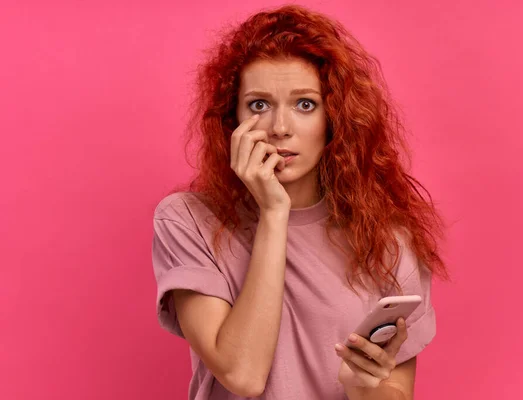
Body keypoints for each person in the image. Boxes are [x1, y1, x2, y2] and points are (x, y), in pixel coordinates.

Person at [151, 4, 447, 400]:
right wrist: (274, 212)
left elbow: (396, 393)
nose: (279, 128)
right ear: (232, 119)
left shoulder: (386, 238)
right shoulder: (188, 221)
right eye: (259, 105)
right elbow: (243, 374)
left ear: (333, 120)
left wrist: (362, 386)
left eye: (304, 104)